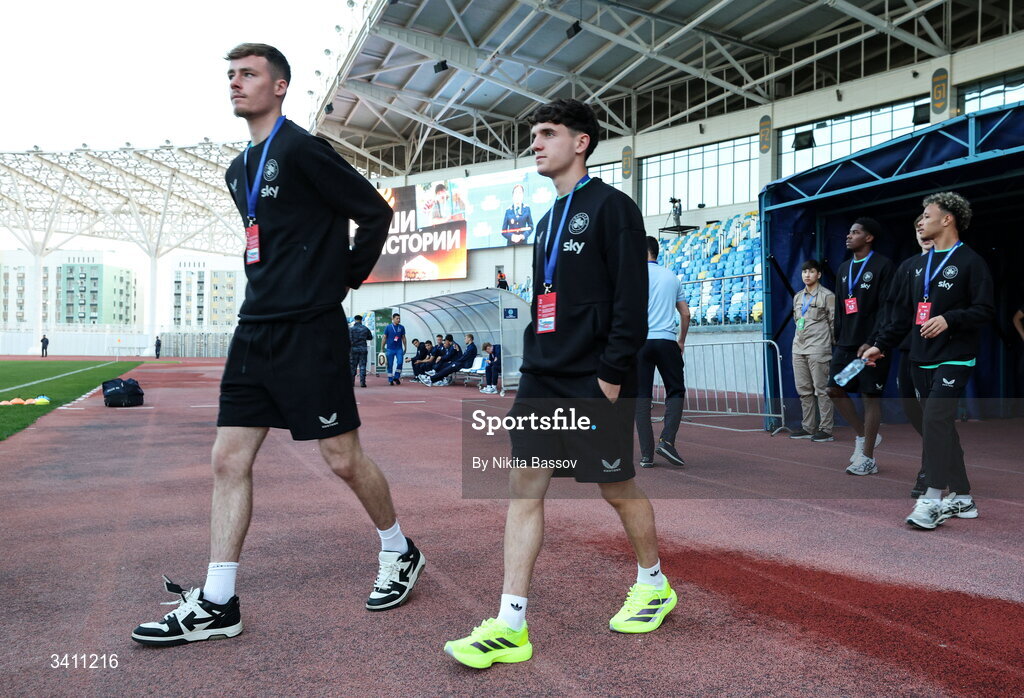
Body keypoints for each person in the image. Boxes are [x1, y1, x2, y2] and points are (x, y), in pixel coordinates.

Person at [131, 43, 425, 648]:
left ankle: (399, 549)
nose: (236, 83)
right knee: (227, 460)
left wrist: (341, 279)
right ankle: (218, 602)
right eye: (231, 75)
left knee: (342, 459)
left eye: (249, 74)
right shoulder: (237, 170)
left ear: (282, 86)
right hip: (254, 328)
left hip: (309, 329)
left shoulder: (301, 149)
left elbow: (373, 213)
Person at [445, 99, 673, 669]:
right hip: (543, 374)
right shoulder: (546, 220)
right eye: (533, 134)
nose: (536, 143)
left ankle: (654, 584)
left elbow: (630, 300)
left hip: (592, 378)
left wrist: (613, 376)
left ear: (582, 142)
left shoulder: (613, 208)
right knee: (525, 487)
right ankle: (510, 622)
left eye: (547, 133)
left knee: (615, 487)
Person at [863, 192, 994, 530]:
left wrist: (950, 319)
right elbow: (901, 317)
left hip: (955, 358)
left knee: (936, 420)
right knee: (941, 427)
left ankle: (932, 499)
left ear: (947, 218)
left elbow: (985, 310)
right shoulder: (913, 266)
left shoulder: (971, 262)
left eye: (927, 214)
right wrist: (880, 346)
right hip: (920, 359)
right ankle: (963, 497)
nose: (921, 220)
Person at [826, 217, 894, 476]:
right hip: (846, 344)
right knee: (834, 388)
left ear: (869, 237)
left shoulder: (883, 265)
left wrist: (876, 340)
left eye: (855, 232)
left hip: (872, 346)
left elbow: (886, 307)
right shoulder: (843, 268)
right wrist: (838, 334)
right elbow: (843, 306)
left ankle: (867, 458)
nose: (848, 236)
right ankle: (863, 436)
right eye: (848, 231)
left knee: (870, 397)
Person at [635, 235, 689, 468]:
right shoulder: (671, 276)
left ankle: (647, 455)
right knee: (675, 391)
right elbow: (685, 314)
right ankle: (667, 440)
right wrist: (681, 340)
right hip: (667, 340)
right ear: (656, 252)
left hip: (640, 343)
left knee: (641, 398)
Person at [892, 217, 933, 496]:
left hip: (941, 351)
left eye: (926, 223)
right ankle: (943, 453)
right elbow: (895, 310)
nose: (922, 229)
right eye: (917, 225)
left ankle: (930, 470)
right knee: (912, 408)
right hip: (909, 348)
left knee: (936, 414)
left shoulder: (958, 262)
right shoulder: (908, 266)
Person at [789, 259, 836, 441]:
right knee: (804, 390)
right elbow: (797, 321)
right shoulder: (798, 297)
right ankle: (808, 427)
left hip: (819, 348)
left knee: (821, 390)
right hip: (798, 347)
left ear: (819, 274)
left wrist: (832, 345)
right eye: (804, 272)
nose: (807, 275)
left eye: (811, 271)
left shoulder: (827, 295)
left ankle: (826, 429)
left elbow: (833, 323)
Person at [349, 315, 373, 387]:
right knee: (363, 366)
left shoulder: (351, 329)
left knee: (353, 366)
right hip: (363, 349)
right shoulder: (365, 329)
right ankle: (362, 382)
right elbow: (370, 337)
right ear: (361, 320)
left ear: (355, 320)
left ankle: (352, 382)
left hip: (353, 350)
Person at [383, 313, 406, 385]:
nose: (399, 320)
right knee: (390, 364)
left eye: (399, 318)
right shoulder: (388, 327)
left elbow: (403, 338)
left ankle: (396, 377)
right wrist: (382, 348)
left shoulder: (401, 327)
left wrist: (405, 347)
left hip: (399, 349)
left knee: (400, 362)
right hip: (390, 349)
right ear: (393, 319)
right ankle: (390, 379)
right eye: (397, 318)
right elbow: (384, 337)